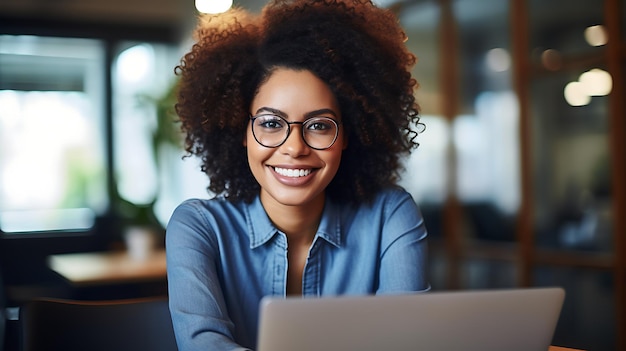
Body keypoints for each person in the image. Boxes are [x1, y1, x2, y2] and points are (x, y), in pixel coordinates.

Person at [166, 0, 428, 349]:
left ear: (348, 135)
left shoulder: (390, 216)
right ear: (240, 132)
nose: (295, 147)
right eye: (271, 123)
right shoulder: (198, 227)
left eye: (319, 125)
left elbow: (404, 342)